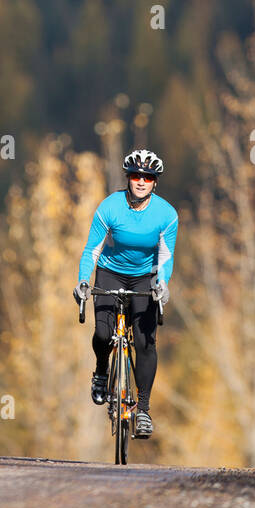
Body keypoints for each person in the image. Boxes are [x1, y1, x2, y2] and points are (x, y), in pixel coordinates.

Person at [73, 149, 178, 438]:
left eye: (148, 177)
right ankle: (101, 371)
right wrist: (83, 281)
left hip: (145, 278)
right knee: (105, 335)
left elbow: (166, 255)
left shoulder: (167, 215)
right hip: (110, 272)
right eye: (135, 176)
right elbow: (91, 249)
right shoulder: (110, 207)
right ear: (128, 179)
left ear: (155, 182)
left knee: (145, 343)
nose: (141, 181)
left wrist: (162, 283)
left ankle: (142, 410)